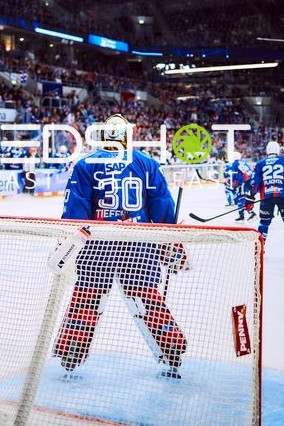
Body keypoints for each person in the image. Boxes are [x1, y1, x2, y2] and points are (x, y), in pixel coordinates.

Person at [54, 114, 188, 378]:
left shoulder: (85, 164)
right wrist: (170, 241)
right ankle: (172, 351)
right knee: (148, 298)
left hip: (98, 245)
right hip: (138, 243)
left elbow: (75, 210)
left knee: (87, 297)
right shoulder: (147, 163)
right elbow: (162, 206)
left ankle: (71, 353)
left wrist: (69, 242)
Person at [251, 141, 284, 256]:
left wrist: (250, 197)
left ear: (267, 151)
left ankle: (259, 249)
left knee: (264, 222)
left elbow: (255, 183)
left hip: (266, 197)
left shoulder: (260, 163)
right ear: (278, 150)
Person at [230, 151, 256, 221]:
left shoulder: (234, 164)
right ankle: (241, 215)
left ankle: (251, 212)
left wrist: (233, 183)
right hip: (248, 182)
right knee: (240, 198)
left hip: (242, 183)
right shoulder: (244, 163)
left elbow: (234, 175)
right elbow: (250, 172)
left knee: (241, 199)